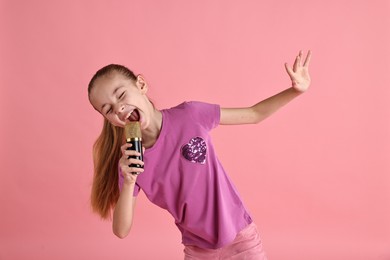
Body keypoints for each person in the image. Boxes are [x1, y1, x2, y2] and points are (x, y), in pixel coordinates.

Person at [87, 50, 312, 259]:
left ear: (141, 85)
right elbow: (121, 230)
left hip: (241, 240)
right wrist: (128, 181)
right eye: (108, 109)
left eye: (121, 94)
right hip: (198, 252)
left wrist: (295, 90)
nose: (118, 108)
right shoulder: (131, 163)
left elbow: (254, 114)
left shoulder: (191, 115)